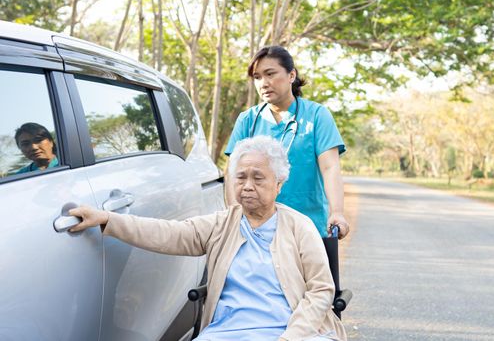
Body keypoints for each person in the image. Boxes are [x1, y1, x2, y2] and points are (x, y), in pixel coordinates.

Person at [69, 136, 346, 341]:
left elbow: (321, 290)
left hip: (294, 330)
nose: (247, 186)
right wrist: (109, 220)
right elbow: (168, 233)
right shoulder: (221, 223)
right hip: (230, 331)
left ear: (279, 184)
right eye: (240, 177)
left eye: (258, 178)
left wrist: (290, 337)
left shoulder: (300, 226)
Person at [224, 46, 349, 239]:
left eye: (270, 74)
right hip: (256, 229)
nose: (263, 83)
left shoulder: (316, 116)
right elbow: (232, 173)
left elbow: (330, 167)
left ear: (291, 75)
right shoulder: (247, 120)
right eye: (257, 77)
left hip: (308, 227)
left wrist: (337, 212)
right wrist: (235, 216)